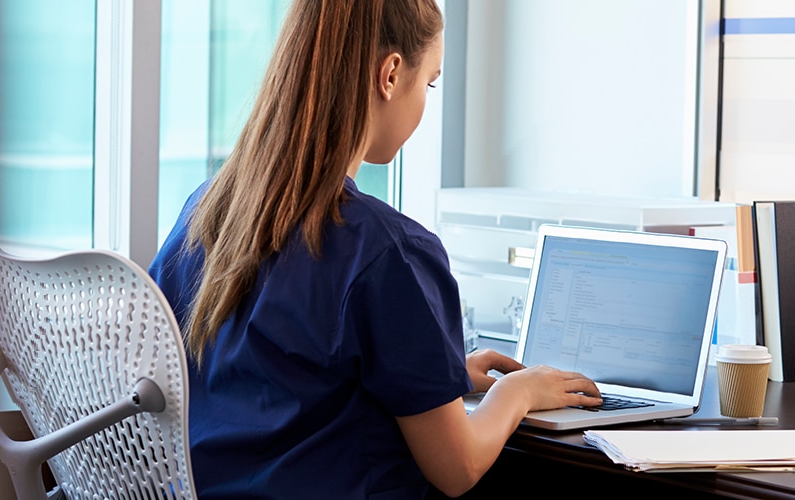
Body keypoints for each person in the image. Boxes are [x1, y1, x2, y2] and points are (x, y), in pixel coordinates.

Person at [146, 1, 603, 497]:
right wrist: (518, 392)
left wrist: (440, 378)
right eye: (429, 82)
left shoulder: (208, 211)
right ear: (390, 74)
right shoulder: (388, 253)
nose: (426, 102)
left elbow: (266, 379)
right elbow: (459, 467)